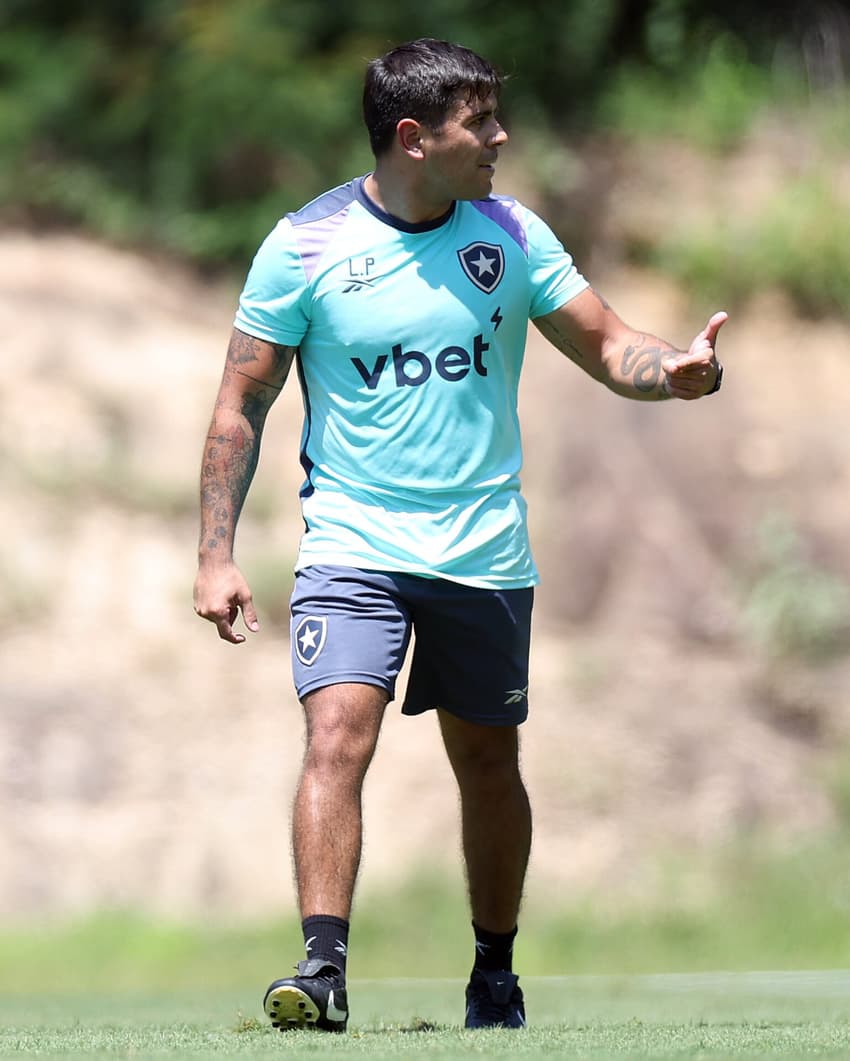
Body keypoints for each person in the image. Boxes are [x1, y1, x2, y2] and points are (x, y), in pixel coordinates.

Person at [192, 37, 726, 1033]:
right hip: (351, 543)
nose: (500, 137)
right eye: (479, 120)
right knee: (336, 732)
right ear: (413, 136)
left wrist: (676, 370)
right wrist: (215, 551)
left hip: (482, 552)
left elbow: (612, 344)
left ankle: (494, 969)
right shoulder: (301, 247)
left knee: (486, 761)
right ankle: (322, 967)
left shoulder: (511, 236)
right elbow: (239, 405)